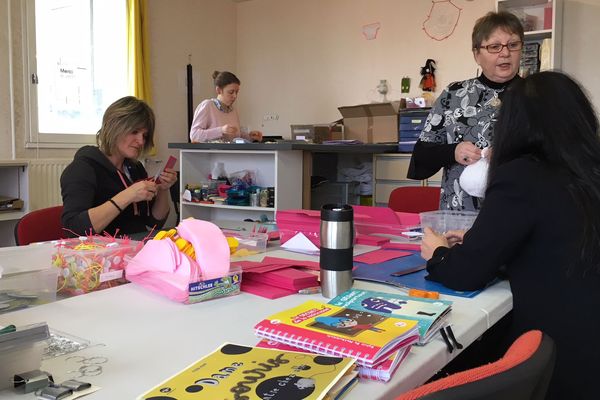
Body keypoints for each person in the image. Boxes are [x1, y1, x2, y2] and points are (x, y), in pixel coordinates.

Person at [420, 71, 600, 400]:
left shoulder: (521, 175)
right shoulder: (587, 168)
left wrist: (438, 252)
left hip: (561, 358)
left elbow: (465, 273)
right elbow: (553, 236)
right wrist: (481, 238)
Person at [408, 11, 524, 211]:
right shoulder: (453, 95)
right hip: (459, 214)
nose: (505, 53)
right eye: (494, 47)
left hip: (517, 213)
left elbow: (559, 158)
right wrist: (453, 151)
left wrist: (510, 155)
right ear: (477, 54)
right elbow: (421, 156)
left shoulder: (537, 96)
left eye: (513, 45)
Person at [61, 96, 177, 236]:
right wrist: (129, 195)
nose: (140, 141)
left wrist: (164, 190)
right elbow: (73, 229)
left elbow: (155, 222)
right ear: (114, 127)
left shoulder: (135, 168)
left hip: (136, 247)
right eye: (134, 132)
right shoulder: (82, 169)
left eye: (144, 135)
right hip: (103, 254)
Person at [189, 70, 262, 143]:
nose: (235, 96)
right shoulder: (207, 106)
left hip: (231, 153)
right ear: (218, 90)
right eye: (231, 92)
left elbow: (235, 138)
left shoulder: (233, 111)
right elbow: (194, 135)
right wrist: (221, 130)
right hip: (212, 154)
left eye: (237, 92)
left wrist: (250, 137)